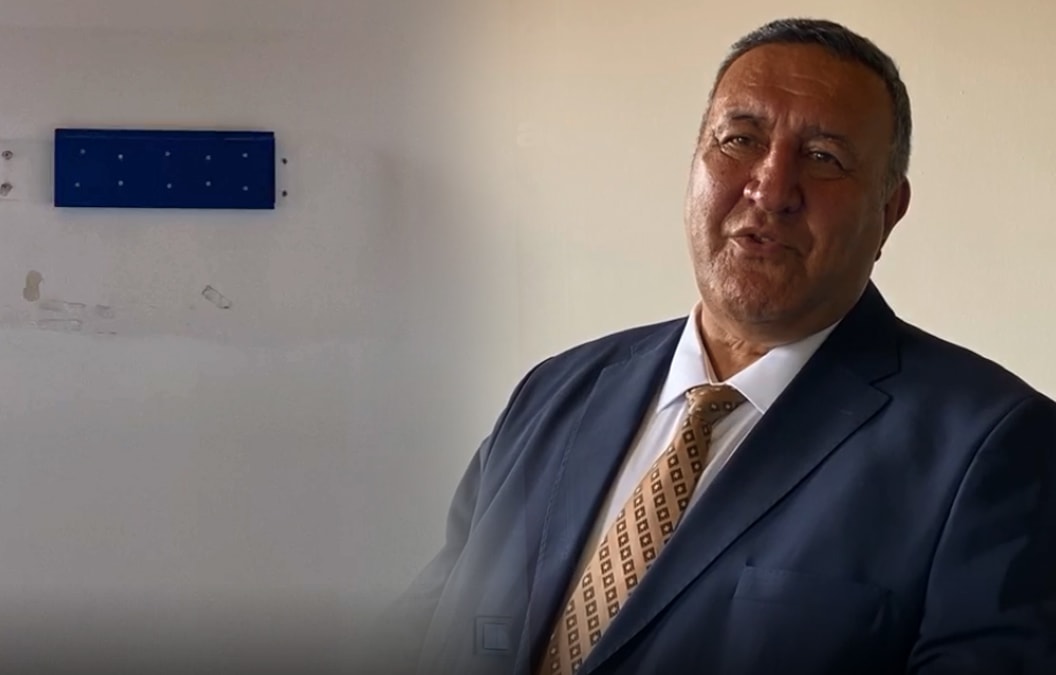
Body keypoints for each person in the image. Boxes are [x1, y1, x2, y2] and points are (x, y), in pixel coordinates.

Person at [384, 16, 1056, 675]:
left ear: (889, 211)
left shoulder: (993, 448)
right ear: (694, 166)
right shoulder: (553, 393)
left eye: (824, 158)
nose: (770, 187)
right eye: (740, 140)